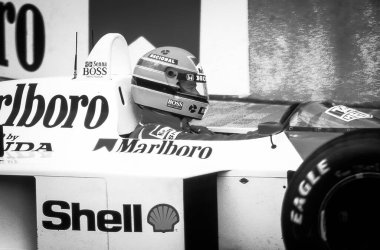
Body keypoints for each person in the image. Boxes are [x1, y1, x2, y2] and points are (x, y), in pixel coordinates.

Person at [129, 46, 259, 140]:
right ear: (164, 89)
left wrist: (264, 134)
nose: (197, 94)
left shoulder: (192, 130)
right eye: (191, 87)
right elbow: (222, 146)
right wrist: (261, 136)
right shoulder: (148, 134)